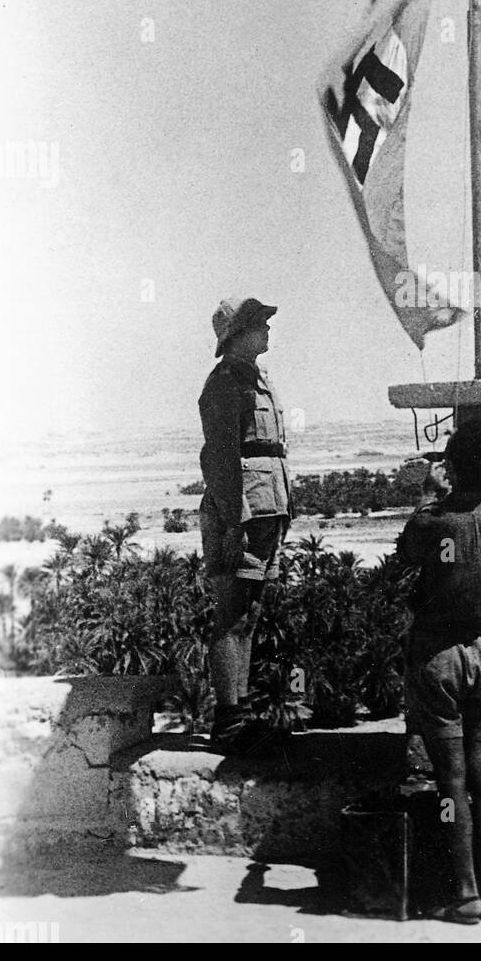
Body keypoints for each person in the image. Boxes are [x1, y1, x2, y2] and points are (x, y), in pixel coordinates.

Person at [397, 419, 481, 923]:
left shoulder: (435, 523)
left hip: (441, 656)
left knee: (451, 782)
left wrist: (428, 497)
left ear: (450, 466)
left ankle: (465, 892)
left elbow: (408, 551)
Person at [198, 296, 292, 754]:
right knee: (232, 612)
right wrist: (234, 520)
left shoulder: (256, 380)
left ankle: (242, 713)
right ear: (237, 334)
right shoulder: (225, 384)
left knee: (250, 615)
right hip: (242, 511)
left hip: (265, 508)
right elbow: (219, 457)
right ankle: (228, 718)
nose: (268, 329)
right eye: (260, 323)